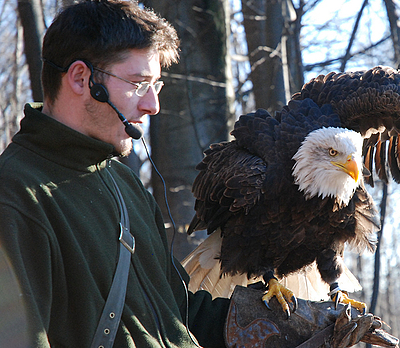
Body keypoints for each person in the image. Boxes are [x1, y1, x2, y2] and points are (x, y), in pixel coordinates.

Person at [0, 0, 229, 347]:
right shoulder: (16, 195)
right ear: (81, 78)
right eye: (139, 83)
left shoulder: (126, 185)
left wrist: (277, 322)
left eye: (157, 85)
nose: (153, 105)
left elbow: (180, 316)